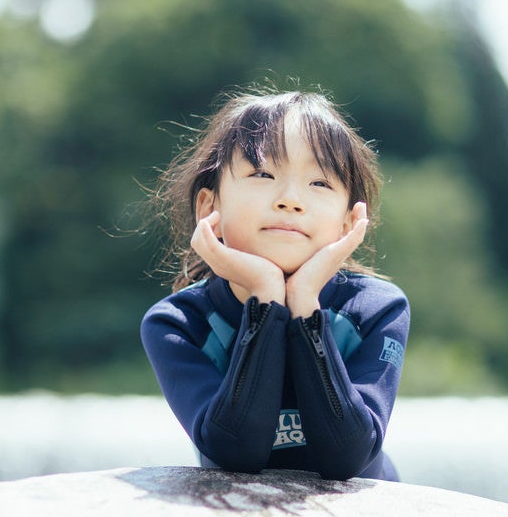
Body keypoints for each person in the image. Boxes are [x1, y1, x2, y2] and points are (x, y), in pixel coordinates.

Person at [140, 87, 410, 481]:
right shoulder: (179, 325)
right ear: (208, 207)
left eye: (319, 183)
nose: (290, 200)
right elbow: (234, 452)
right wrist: (266, 298)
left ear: (350, 223)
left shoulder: (376, 310)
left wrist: (303, 303)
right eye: (262, 173)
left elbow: (347, 458)